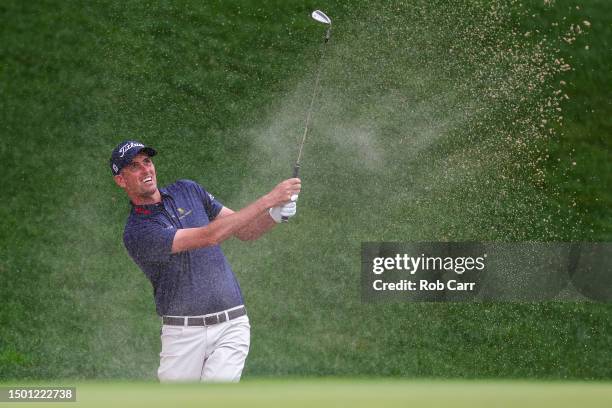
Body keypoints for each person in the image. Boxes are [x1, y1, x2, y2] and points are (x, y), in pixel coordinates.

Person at [109, 140, 300, 382]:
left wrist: (275, 215)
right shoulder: (137, 231)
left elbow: (246, 231)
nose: (146, 169)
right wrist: (268, 200)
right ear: (121, 180)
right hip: (182, 335)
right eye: (134, 166)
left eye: (147, 162)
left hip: (232, 324)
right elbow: (209, 236)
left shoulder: (187, 190)